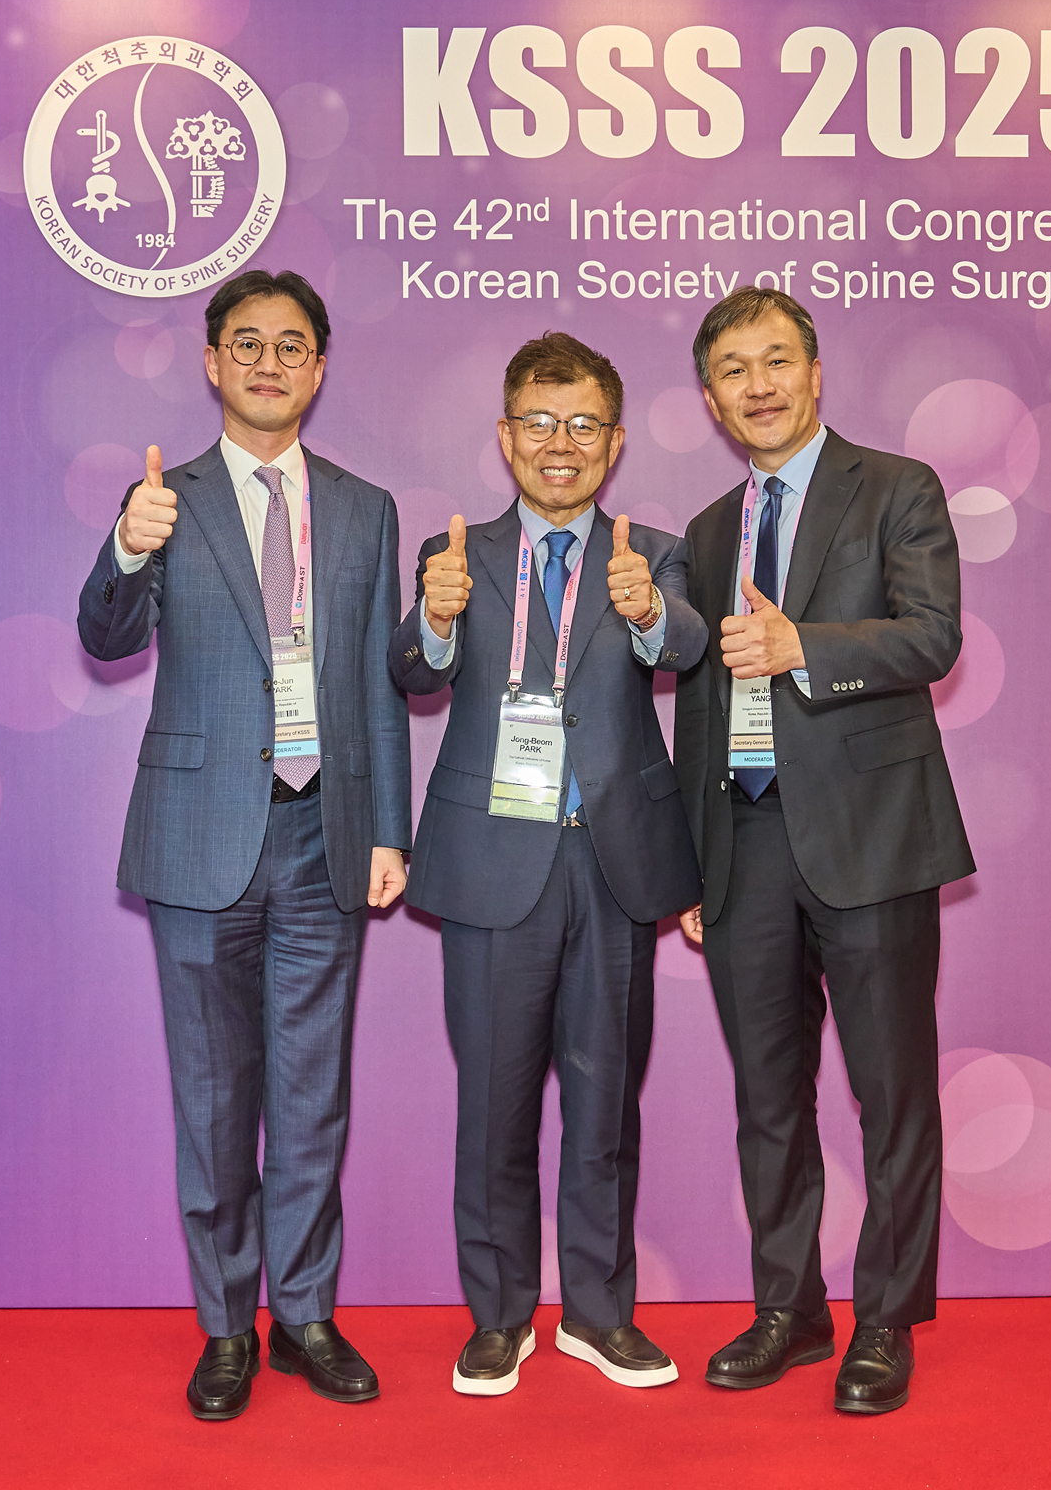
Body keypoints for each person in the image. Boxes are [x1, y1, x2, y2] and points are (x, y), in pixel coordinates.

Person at [76, 269, 411, 1423]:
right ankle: (226, 1324)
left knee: (313, 1095)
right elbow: (105, 635)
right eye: (248, 343)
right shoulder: (164, 499)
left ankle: (304, 1314)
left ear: (320, 368)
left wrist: (389, 828)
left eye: (292, 345)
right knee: (216, 1099)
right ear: (214, 362)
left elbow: (376, 684)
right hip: (202, 838)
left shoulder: (366, 509)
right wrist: (127, 549)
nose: (271, 363)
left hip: (328, 832)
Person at [670, 286, 974, 1416]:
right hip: (743, 842)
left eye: (776, 361)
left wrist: (804, 644)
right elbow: (699, 709)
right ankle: (788, 1309)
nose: (758, 385)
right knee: (768, 1097)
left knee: (890, 1094)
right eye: (734, 370)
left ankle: (885, 1318)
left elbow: (931, 636)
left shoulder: (896, 488)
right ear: (711, 400)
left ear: (814, 371)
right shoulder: (707, 531)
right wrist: (694, 858)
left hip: (870, 839)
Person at [389, 332, 706, 1397]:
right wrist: (434, 621)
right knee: (495, 1104)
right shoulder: (456, 552)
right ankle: (499, 1317)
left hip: (613, 864)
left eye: (581, 425)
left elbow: (688, 646)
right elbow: (409, 670)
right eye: (538, 421)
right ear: (505, 435)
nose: (558, 443)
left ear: (613, 443)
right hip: (493, 864)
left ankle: (600, 1315)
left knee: (606, 1104)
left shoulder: (651, 553)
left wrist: (650, 609)